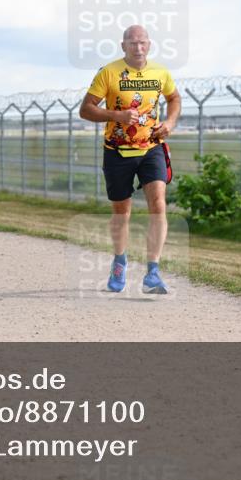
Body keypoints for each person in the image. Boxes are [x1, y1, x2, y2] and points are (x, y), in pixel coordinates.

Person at [79, 24, 182, 294]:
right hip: (117, 150)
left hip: (152, 147)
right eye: (132, 42)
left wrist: (170, 122)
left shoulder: (160, 72)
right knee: (122, 212)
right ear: (123, 45)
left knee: (158, 202)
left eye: (143, 42)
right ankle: (119, 261)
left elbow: (174, 98)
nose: (138, 47)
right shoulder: (109, 73)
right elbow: (86, 109)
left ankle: (153, 271)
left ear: (149, 45)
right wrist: (116, 116)